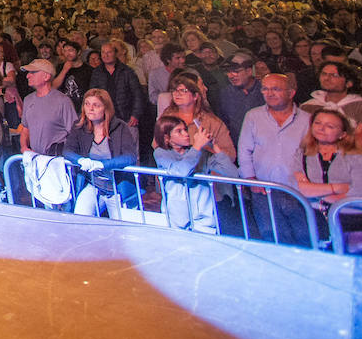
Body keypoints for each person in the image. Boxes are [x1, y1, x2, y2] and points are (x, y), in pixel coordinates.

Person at [237, 73, 314, 246]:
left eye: (276, 89)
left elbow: (312, 155)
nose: (269, 93)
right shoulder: (253, 116)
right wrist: (250, 179)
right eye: (265, 89)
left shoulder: (307, 120)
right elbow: (244, 150)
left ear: (291, 92)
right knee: (272, 239)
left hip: (297, 191)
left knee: (305, 239)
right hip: (264, 191)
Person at [293, 108, 362, 241]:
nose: (321, 128)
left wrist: (320, 195)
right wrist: (339, 188)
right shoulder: (302, 154)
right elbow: (301, 188)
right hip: (315, 217)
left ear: (342, 134)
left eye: (330, 126)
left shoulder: (357, 157)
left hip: (352, 218)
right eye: (318, 123)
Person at [63, 89, 139, 218]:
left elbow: (130, 157)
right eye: (87, 104)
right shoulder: (79, 126)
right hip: (93, 184)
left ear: (106, 108)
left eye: (96, 105)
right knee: (80, 217)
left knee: (122, 225)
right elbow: (67, 150)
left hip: (116, 187)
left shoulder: (120, 127)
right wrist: (80, 160)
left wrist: (103, 164)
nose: (90, 109)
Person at [154, 115, 218, 234]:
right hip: (177, 217)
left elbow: (230, 172)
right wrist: (197, 146)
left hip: (203, 215)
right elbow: (181, 171)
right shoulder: (161, 153)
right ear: (166, 137)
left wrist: (215, 147)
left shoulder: (197, 152)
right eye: (179, 131)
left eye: (185, 129)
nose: (186, 134)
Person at [19, 59, 77, 156]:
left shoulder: (63, 101)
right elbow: (25, 129)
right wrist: (24, 148)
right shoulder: (28, 100)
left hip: (57, 159)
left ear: (46, 76)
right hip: (34, 158)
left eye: (33, 72)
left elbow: (74, 133)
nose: (27, 76)